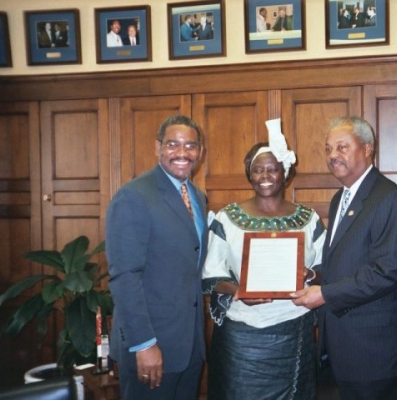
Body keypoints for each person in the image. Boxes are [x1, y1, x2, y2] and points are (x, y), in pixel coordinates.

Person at [291, 116, 397, 400]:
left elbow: (387, 272)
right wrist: (313, 277)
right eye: (328, 149)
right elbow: (345, 263)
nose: (333, 155)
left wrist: (323, 294)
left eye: (342, 147)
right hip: (343, 344)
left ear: (368, 148)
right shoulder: (340, 199)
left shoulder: (389, 198)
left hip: (375, 350)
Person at [203, 118, 326, 399]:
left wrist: (307, 275)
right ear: (249, 174)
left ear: (285, 173)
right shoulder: (227, 219)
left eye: (272, 169)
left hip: (293, 330)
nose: (265, 176)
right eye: (257, 170)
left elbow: (325, 268)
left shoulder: (308, 219)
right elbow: (211, 275)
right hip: (241, 337)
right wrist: (238, 291)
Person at [106, 115, 208, 399]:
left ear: (200, 152)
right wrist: (144, 344)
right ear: (158, 147)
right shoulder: (134, 197)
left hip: (189, 347)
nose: (182, 153)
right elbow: (125, 276)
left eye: (190, 146)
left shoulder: (198, 198)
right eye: (173, 144)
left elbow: (191, 265)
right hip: (152, 349)